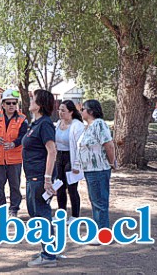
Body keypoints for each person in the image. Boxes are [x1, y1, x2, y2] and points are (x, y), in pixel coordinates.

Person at [23, 89, 58, 268]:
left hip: (39, 177)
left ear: (40, 104)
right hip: (32, 177)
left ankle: (49, 256)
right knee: (36, 213)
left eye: (33, 99)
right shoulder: (35, 123)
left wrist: (47, 179)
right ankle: (48, 249)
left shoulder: (45, 124)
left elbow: (52, 151)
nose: (30, 101)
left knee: (42, 214)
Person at [76, 99, 117, 242]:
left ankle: (104, 235)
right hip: (90, 170)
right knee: (95, 201)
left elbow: (109, 145)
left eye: (83, 109)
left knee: (100, 202)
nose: (81, 112)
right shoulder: (88, 127)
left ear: (91, 111)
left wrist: (112, 162)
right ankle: (100, 232)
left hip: (99, 169)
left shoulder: (99, 124)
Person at [0, 88, 28, 218]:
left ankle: (13, 210)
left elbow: (24, 136)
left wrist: (14, 144)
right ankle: (1, 211)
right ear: (3, 104)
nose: (12, 106)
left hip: (14, 159)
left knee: (14, 186)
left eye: (14, 103)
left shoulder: (22, 119)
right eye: (8, 103)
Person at [55, 100, 85, 223]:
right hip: (59, 157)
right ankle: (61, 215)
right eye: (59, 110)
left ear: (71, 112)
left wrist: (76, 164)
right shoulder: (58, 123)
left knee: (72, 188)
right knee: (59, 187)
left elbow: (80, 146)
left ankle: (75, 216)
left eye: (63, 110)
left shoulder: (77, 125)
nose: (60, 113)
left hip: (71, 158)